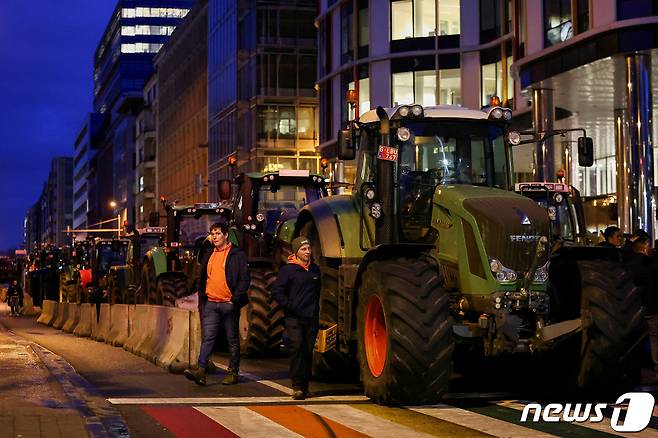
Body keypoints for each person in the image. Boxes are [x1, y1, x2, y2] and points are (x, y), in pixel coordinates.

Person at [184, 222, 250, 386]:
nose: (214, 236)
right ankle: (200, 370)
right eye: (212, 233)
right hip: (211, 304)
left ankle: (233, 372)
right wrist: (202, 295)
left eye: (218, 233)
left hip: (229, 304)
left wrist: (235, 299)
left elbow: (244, 278)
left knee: (232, 339)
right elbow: (203, 276)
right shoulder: (209, 254)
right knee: (208, 338)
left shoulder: (237, 254)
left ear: (226, 235)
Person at [271, 236, 321, 400]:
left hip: (311, 317)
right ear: (296, 252)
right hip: (293, 318)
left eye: (308, 249)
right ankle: (297, 386)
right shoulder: (288, 270)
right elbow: (276, 292)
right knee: (297, 347)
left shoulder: (315, 269)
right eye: (303, 249)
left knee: (307, 351)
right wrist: (290, 305)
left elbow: (318, 292)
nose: (307, 252)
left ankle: (305, 386)